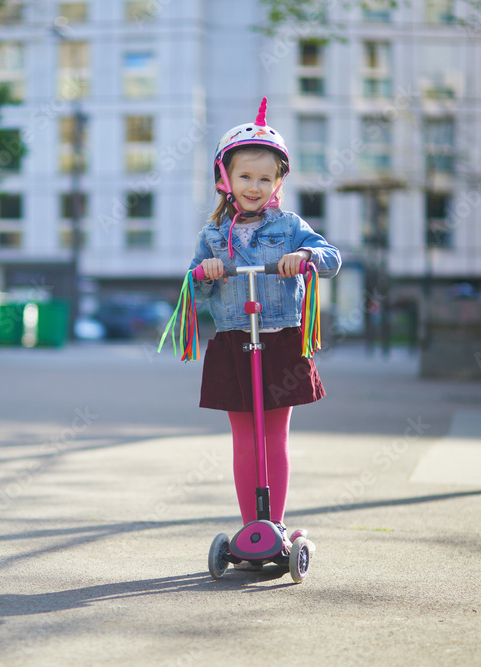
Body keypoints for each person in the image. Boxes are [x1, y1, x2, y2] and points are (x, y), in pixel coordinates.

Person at [189, 98, 340, 561]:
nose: (254, 186)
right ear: (225, 180)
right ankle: (250, 526)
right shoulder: (213, 236)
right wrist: (204, 274)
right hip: (235, 339)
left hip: (279, 339)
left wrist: (306, 257)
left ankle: (275, 524)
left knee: (273, 435)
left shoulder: (291, 226)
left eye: (264, 178)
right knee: (242, 439)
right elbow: (192, 294)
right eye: (245, 176)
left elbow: (332, 257)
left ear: (278, 183)